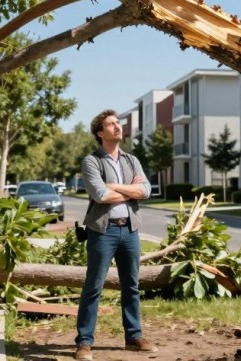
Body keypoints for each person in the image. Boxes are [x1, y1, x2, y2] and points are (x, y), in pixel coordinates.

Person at [75, 109, 158, 360]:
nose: (118, 127)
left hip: (130, 230)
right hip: (103, 231)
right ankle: (84, 342)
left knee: (131, 286)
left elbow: (145, 190)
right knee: (94, 286)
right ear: (100, 132)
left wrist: (115, 186)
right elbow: (101, 195)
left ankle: (134, 337)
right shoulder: (92, 161)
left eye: (118, 123)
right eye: (111, 124)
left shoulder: (131, 160)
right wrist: (129, 190)